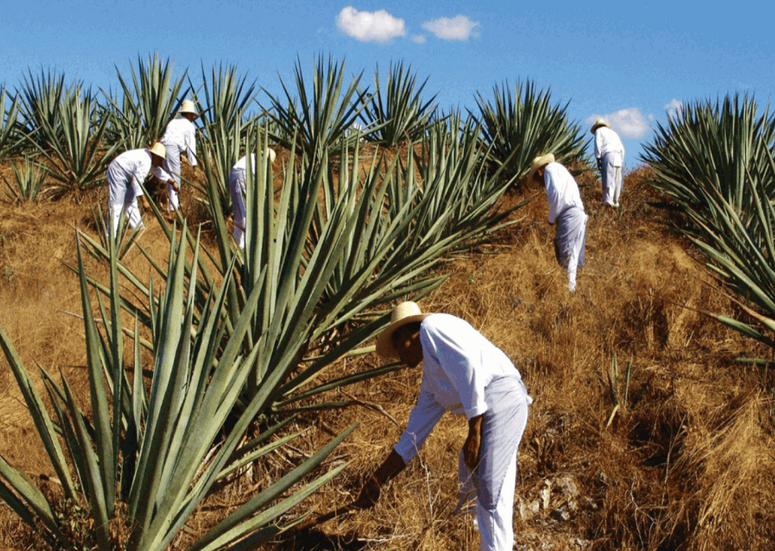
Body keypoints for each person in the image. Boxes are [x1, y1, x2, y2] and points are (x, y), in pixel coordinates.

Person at [357, 301, 532, 551]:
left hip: (503, 399)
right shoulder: (432, 380)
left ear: (407, 335)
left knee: (491, 492)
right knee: (478, 490)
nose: (398, 358)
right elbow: (413, 436)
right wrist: (378, 480)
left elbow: (468, 366)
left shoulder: (432, 328)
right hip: (491, 408)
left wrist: (474, 431)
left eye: (397, 348)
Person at [529, 153, 587, 292]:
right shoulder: (560, 169)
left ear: (539, 171)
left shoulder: (550, 170)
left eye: (538, 179)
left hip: (569, 215)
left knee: (567, 254)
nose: (540, 184)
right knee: (575, 256)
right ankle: (577, 291)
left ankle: (569, 293)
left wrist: (551, 218)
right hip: (578, 214)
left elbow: (555, 194)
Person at [106, 142, 166, 236]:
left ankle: (139, 230)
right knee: (117, 204)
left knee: (131, 203)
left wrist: (171, 181)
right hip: (118, 171)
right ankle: (110, 236)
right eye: (161, 159)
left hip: (125, 174)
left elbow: (157, 170)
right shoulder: (146, 161)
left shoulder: (149, 158)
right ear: (156, 156)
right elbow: (137, 182)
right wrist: (145, 201)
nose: (161, 162)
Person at [153, 99, 199, 213]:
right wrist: (195, 167)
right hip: (172, 148)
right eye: (192, 115)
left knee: (169, 176)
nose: (193, 118)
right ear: (189, 114)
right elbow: (191, 147)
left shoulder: (173, 122)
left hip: (162, 148)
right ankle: (174, 208)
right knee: (175, 177)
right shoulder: (189, 126)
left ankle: (172, 205)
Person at [228, 148, 276, 248]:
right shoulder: (259, 161)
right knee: (246, 212)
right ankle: (245, 246)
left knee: (239, 214)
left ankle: (237, 245)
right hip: (242, 175)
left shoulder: (252, 157)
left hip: (233, 176)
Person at [591, 119, 625, 207]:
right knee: (617, 178)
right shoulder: (614, 133)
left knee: (608, 177)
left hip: (608, 154)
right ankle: (616, 201)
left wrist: (598, 158)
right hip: (618, 155)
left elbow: (598, 145)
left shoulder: (599, 131)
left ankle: (608, 201)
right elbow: (622, 148)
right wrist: (621, 159)